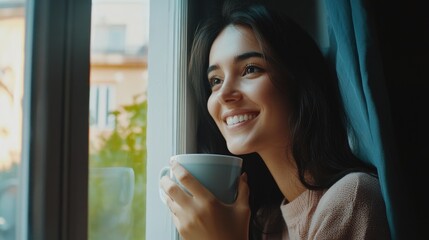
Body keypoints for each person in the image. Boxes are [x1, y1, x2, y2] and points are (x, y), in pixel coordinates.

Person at [160, 1, 391, 239]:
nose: (224, 94)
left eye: (250, 69)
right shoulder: (267, 223)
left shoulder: (351, 199)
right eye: (215, 81)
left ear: (299, 82)